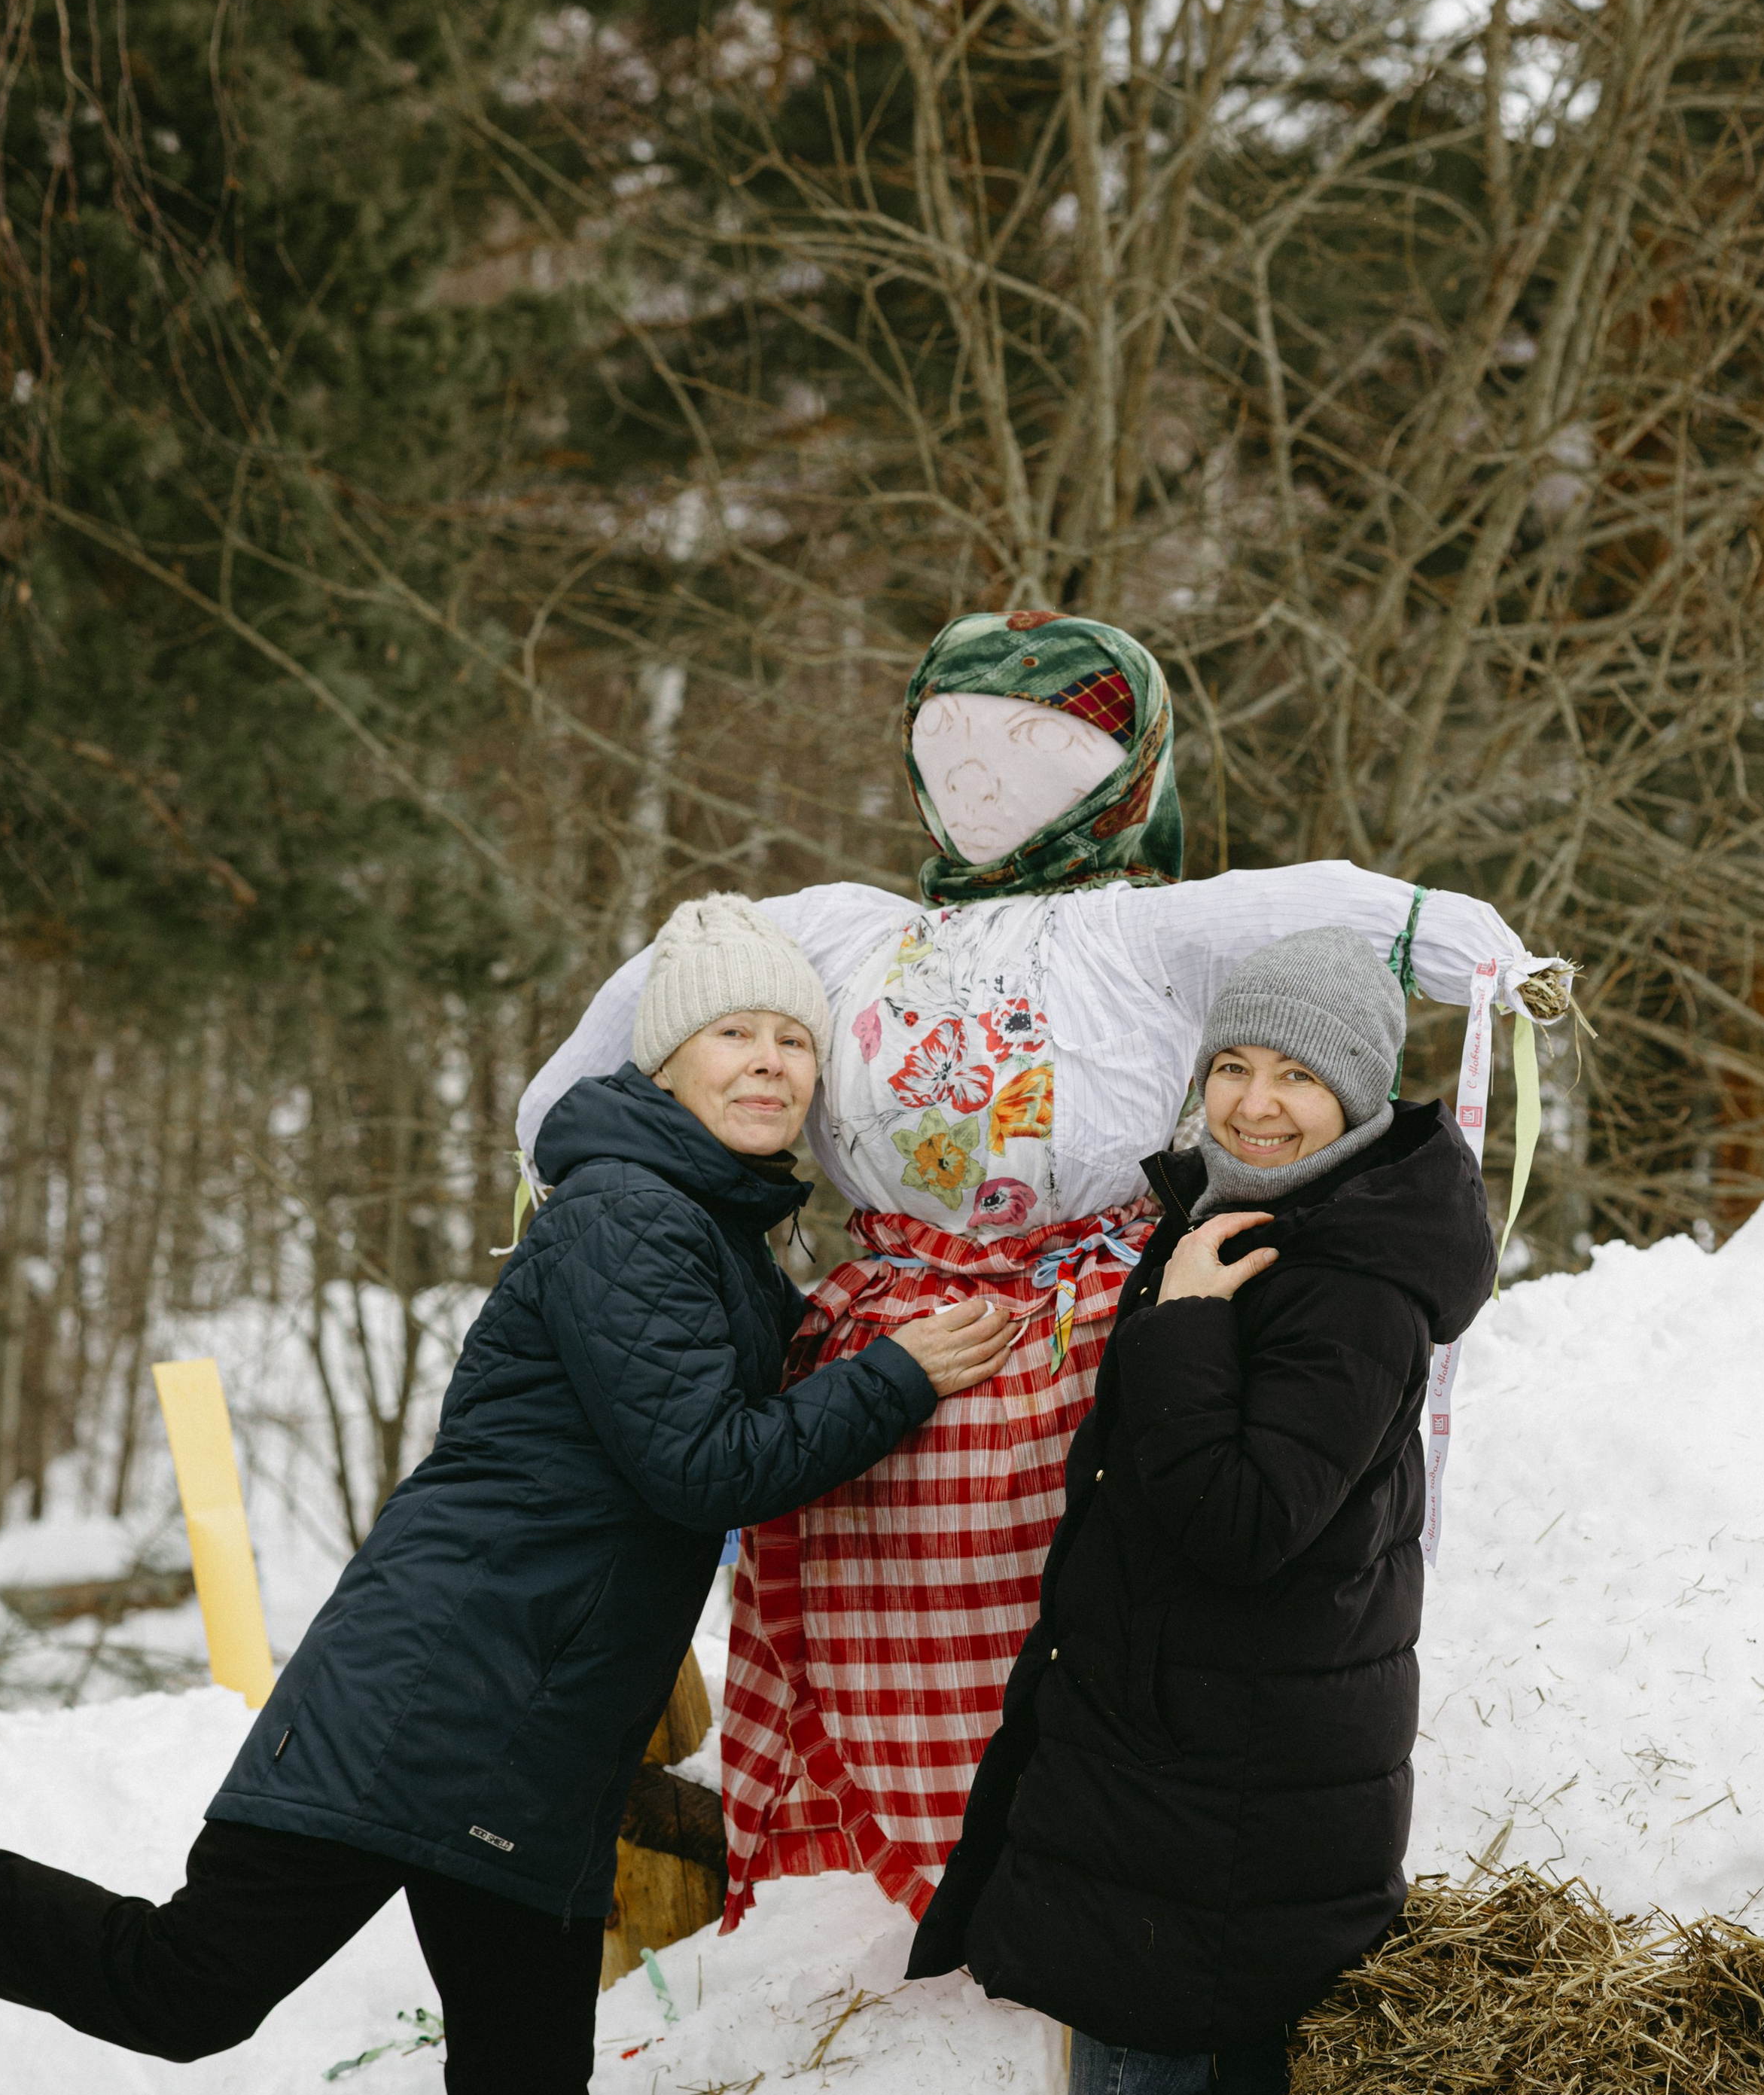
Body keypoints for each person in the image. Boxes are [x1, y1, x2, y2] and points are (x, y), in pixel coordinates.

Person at [0, 896, 1016, 2095]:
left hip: (529, 1747)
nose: (771, 1061)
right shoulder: (625, 1217)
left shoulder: (710, 1234)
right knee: (194, 1990)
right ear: (667, 1059)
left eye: (793, 1038)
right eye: (735, 1035)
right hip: (429, 1704)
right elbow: (702, 1466)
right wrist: (907, 1373)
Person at [516, 611, 1568, 1941]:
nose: (982, 776)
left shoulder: (1147, 936)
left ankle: (1055, 1868)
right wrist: (558, 1115)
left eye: (1033, 747)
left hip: (1082, 1329)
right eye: (952, 742)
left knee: (1076, 1616)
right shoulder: (850, 931)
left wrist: (1475, 952)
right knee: (869, 1610)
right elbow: (680, 973)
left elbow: (1317, 902)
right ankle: (867, 1889)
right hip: (882, 1336)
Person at [906, 925, 1497, 2095]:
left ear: (1356, 1097)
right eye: (1233, 1067)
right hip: (1213, 1769)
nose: (1253, 1099)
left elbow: (1248, 1518)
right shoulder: (1271, 1227)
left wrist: (1170, 1332)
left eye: (1292, 1076)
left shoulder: (1347, 1282)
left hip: (1222, 1795)